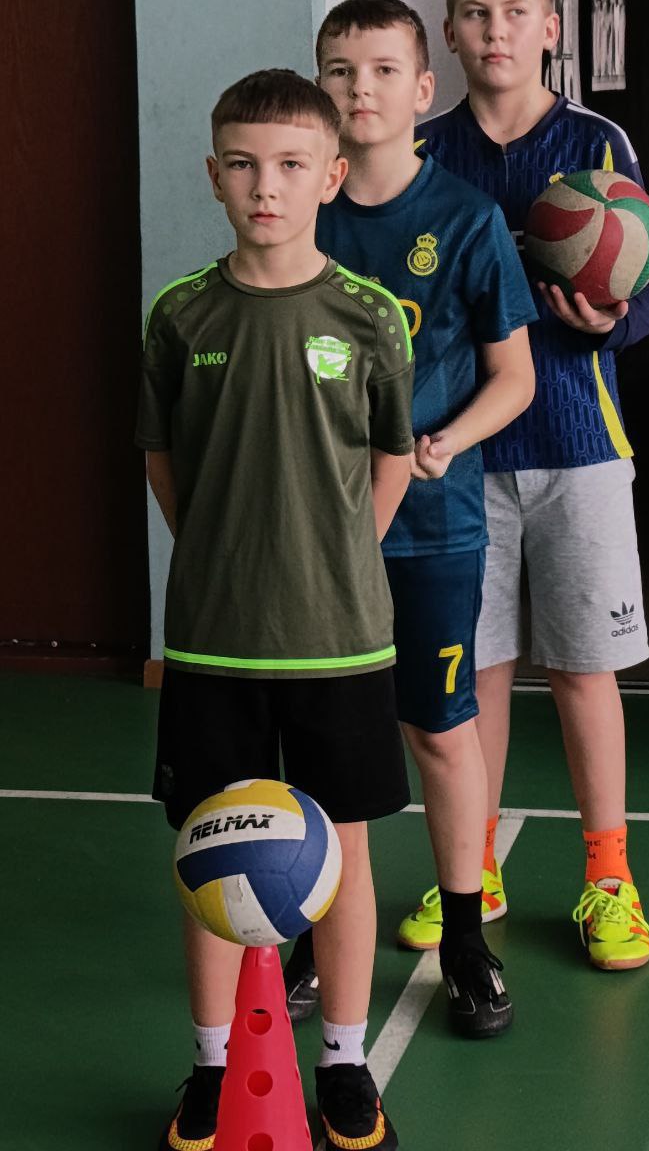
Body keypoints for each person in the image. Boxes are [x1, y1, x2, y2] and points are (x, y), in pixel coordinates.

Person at [138, 68, 414, 1151]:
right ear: (213, 175)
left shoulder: (369, 315)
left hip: (339, 643)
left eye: (292, 165)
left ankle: (343, 1060)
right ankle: (212, 1062)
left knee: (342, 853)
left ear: (330, 176)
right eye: (245, 165)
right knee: (208, 852)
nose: (267, 186)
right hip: (215, 642)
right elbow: (164, 463)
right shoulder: (180, 315)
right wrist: (223, 553)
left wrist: (335, 557)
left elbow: (388, 463)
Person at [407, 0, 649, 971]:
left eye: (515, 12)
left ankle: (609, 877)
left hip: (577, 447)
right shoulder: (425, 151)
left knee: (583, 671)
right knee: (473, 674)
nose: (496, 31)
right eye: (475, 14)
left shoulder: (596, 143)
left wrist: (610, 318)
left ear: (551, 27)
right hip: (461, 454)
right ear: (449, 31)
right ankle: (472, 867)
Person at [283, 0, 537, 1037]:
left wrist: (449, 438)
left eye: (384, 69)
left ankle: (466, 937)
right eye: (340, 70)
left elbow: (514, 378)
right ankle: (312, 932)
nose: (362, 89)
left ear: (423, 88)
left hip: (433, 527)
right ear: (320, 87)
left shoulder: (465, 220)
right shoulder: (297, 210)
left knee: (439, 730)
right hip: (320, 532)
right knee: (320, 741)